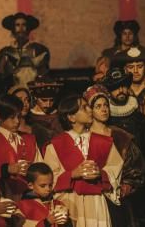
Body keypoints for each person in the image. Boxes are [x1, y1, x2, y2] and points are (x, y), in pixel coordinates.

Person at [102, 68, 145, 223]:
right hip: (113, 182)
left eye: (123, 85)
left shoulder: (140, 120)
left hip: (142, 184)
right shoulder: (104, 121)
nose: (120, 90)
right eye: (115, 87)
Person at [43, 95, 122, 227]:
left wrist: (101, 174)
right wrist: (72, 174)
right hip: (69, 203)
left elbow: (115, 168)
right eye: (84, 108)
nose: (90, 110)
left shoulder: (103, 142)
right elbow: (48, 179)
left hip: (96, 203)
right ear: (71, 117)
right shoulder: (55, 145)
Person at [84, 84, 145, 227]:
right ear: (90, 110)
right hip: (91, 197)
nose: (104, 109)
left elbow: (136, 166)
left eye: (106, 105)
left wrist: (125, 186)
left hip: (117, 198)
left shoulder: (120, 136)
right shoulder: (83, 136)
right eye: (98, 106)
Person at [0, 95, 42, 200]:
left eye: (19, 116)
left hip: (30, 198)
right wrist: (6, 170)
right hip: (0, 198)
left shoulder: (29, 139)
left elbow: (40, 167)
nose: (17, 121)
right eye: (12, 117)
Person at [0, 12, 50, 76]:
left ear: (28, 28)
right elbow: (1, 75)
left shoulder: (39, 50)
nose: (21, 28)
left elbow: (43, 74)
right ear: (13, 28)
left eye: (24, 25)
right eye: (17, 25)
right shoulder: (4, 52)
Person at [27, 77, 63, 150]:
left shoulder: (59, 114)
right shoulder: (29, 116)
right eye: (44, 100)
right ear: (35, 98)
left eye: (51, 100)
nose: (48, 104)